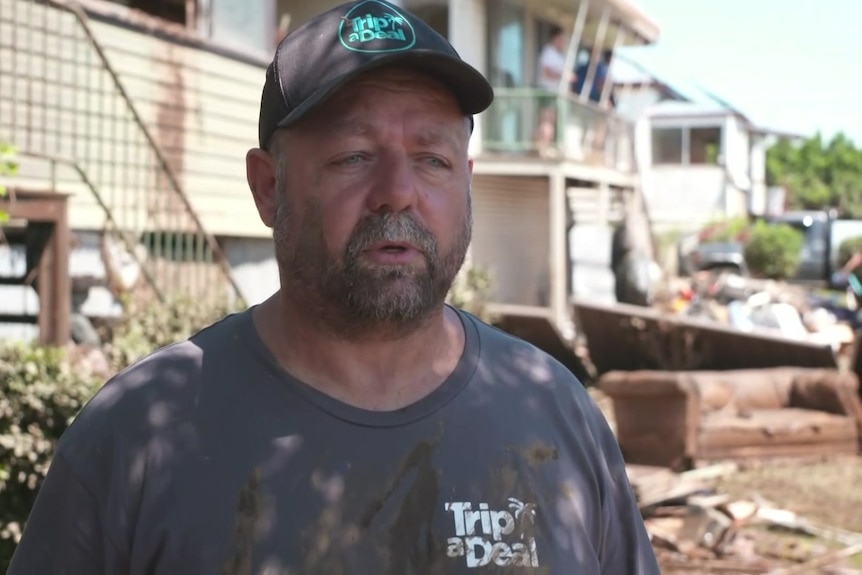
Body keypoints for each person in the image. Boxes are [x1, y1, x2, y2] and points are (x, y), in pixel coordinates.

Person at [7, 1, 660, 573]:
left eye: (431, 159)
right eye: (354, 155)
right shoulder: (135, 435)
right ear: (268, 188)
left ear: (465, 180)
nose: (398, 191)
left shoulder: (558, 414)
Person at [534, 26, 568, 157]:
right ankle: (543, 148)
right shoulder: (548, 52)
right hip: (547, 91)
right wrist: (563, 75)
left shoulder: (556, 54)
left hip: (553, 92)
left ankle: (544, 146)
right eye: (561, 39)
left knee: (550, 121)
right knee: (546, 121)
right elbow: (547, 72)